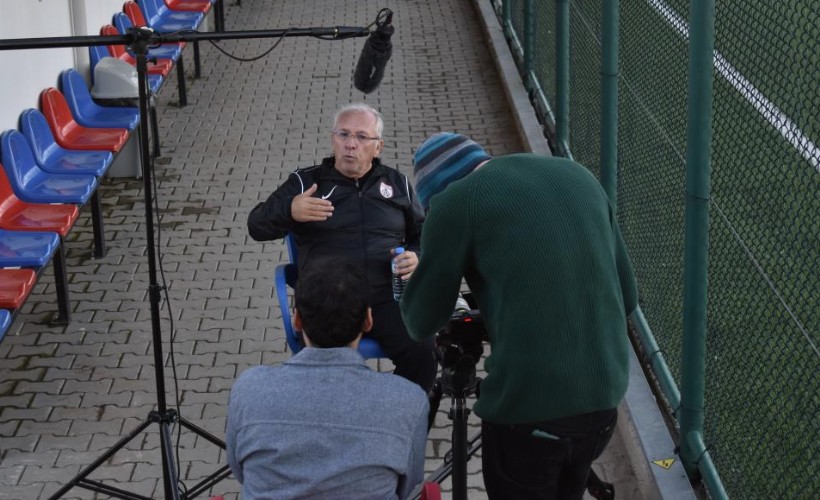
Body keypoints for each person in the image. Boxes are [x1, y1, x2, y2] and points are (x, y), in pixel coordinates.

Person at [400, 133, 639, 499]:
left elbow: (420, 321)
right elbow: (627, 297)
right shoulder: (579, 176)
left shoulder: (456, 202)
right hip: (604, 402)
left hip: (529, 413)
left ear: (436, 194)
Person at [247, 103, 437, 392]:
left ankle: (392, 424)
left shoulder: (397, 184)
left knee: (423, 355)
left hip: (389, 293)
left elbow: (424, 232)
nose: (350, 144)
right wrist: (289, 209)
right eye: (343, 135)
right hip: (328, 295)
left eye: (362, 137)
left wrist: (417, 256)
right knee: (326, 372)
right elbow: (256, 225)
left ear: (378, 147)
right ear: (333, 139)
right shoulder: (306, 182)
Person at [226, 256, 430, 499]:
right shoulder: (408, 400)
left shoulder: (249, 389)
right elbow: (408, 484)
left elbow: (240, 471)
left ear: (297, 320)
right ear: (368, 320)